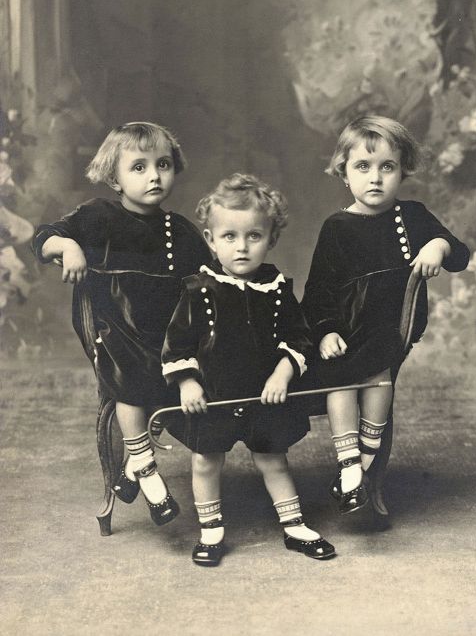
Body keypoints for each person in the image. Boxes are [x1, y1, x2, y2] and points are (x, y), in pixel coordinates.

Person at [32, 121, 211, 525]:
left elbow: (210, 278)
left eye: (163, 164)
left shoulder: (177, 230)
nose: (154, 175)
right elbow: (44, 237)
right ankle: (145, 468)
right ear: (114, 177)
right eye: (139, 167)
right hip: (114, 330)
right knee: (130, 371)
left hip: (167, 335)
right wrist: (69, 245)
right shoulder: (100, 216)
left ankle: (130, 464)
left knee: (184, 367)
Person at [161, 173, 336, 566]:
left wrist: (283, 373)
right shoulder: (198, 290)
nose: (241, 247)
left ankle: (294, 527)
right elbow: (177, 345)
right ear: (210, 239)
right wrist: (188, 383)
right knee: (206, 460)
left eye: (254, 236)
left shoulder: (276, 289)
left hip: (263, 397)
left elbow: (299, 337)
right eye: (229, 237)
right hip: (213, 397)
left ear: (271, 239)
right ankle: (211, 532)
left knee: (273, 458)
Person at [301, 115, 470, 517]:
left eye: (387, 167)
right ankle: (350, 469)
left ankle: (362, 461)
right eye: (363, 167)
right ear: (344, 173)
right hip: (345, 330)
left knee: (377, 372)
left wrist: (438, 246)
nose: (375, 178)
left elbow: (460, 255)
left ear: (402, 171)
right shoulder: (337, 227)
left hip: (392, 327)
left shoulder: (412, 216)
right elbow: (318, 292)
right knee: (340, 377)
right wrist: (324, 332)